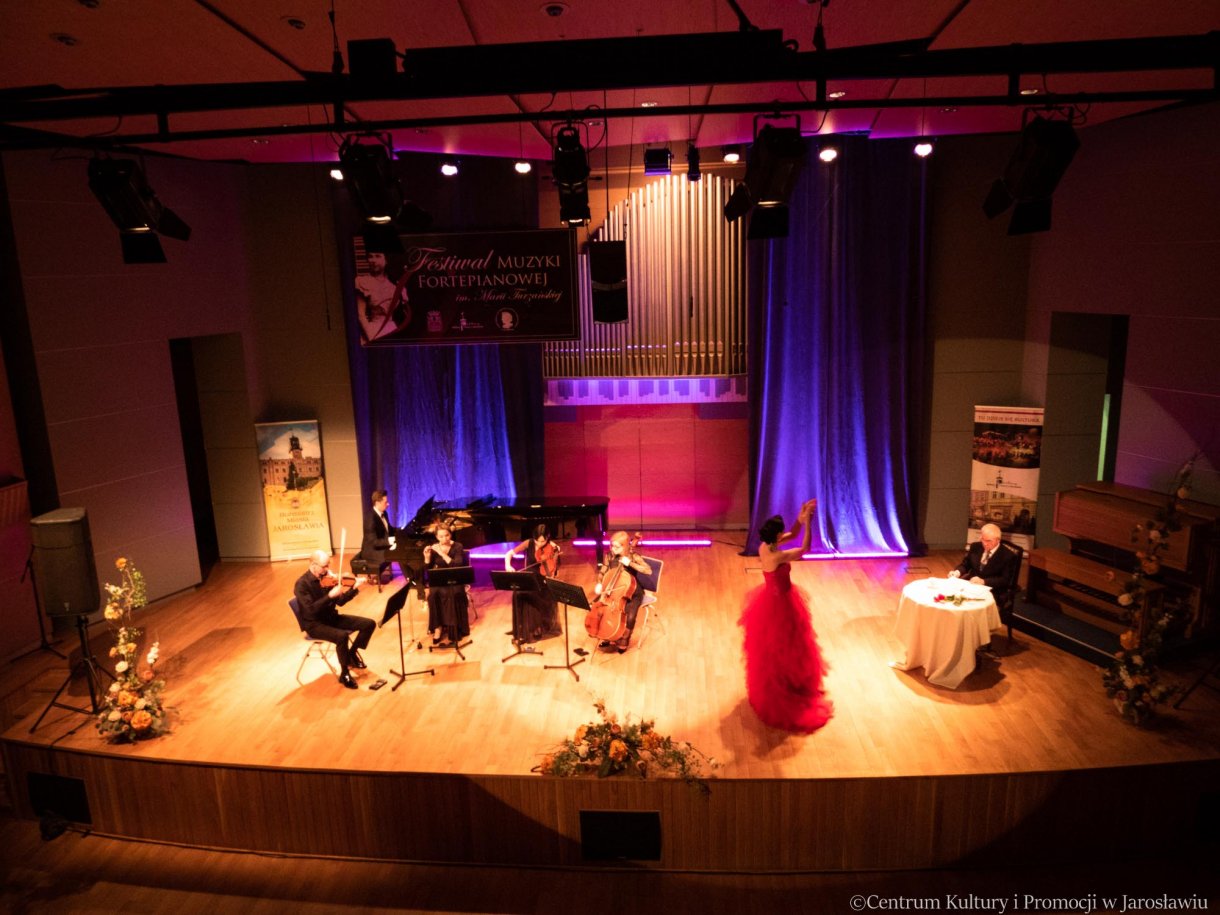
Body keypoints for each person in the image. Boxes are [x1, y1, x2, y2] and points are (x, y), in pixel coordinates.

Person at [739, 499, 833, 733]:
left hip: (774, 598)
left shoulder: (765, 545)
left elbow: (791, 534)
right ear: (775, 536)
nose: (784, 534)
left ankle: (787, 680)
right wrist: (809, 524)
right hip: (781, 604)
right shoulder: (775, 557)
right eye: (781, 533)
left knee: (778, 648)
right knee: (787, 644)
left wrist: (799, 520)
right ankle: (786, 687)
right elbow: (804, 549)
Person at [293, 549, 375, 690]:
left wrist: (353, 589)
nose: (327, 570)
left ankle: (351, 654)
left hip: (331, 618)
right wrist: (329, 596)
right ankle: (345, 674)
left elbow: (341, 602)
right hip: (315, 624)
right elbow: (311, 610)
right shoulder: (301, 585)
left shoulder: (326, 579)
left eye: (328, 566)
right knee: (342, 636)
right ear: (313, 565)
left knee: (369, 624)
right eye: (324, 566)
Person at [591, 531, 652, 654]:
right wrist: (599, 582)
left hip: (632, 591)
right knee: (602, 609)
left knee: (630, 616)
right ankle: (609, 635)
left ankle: (624, 638)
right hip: (614, 590)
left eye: (617, 547)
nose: (613, 549)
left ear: (625, 546)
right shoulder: (609, 556)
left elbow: (648, 570)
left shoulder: (633, 556)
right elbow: (603, 571)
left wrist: (630, 563)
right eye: (612, 546)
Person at [504, 524, 562, 644]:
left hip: (542, 580)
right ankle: (521, 628)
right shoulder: (528, 543)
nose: (540, 544)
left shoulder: (552, 546)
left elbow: (554, 569)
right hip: (529, 578)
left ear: (547, 537)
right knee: (517, 594)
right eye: (538, 541)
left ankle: (534, 629)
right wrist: (508, 565)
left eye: (543, 541)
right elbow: (508, 554)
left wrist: (555, 555)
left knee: (531, 594)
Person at [423, 523, 470, 646]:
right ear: (437, 537)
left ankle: (452, 628)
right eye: (441, 536)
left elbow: (457, 565)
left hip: (456, 579)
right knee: (433, 595)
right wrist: (427, 558)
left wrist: (442, 553)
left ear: (450, 534)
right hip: (441, 579)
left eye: (447, 535)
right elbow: (428, 569)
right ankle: (437, 628)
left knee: (451, 593)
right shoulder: (434, 548)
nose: (444, 539)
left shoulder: (458, 546)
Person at [948, 522, 1020, 590]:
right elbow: (966, 564)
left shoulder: (1008, 556)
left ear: (998, 540)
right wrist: (957, 572)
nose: (985, 544)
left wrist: (983, 581)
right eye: (983, 539)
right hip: (971, 584)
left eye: (989, 541)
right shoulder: (975, 546)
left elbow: (1005, 580)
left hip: (992, 589)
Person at [355, 252, 400, 343]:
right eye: (370, 256)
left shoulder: (394, 285)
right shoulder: (363, 282)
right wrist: (372, 337)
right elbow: (360, 314)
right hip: (372, 331)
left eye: (378, 256)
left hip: (392, 328)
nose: (373, 260)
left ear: (386, 260)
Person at [359, 489, 397, 565]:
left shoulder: (384, 513)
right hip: (372, 551)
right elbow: (373, 542)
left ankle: (411, 576)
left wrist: (402, 531)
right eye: (385, 502)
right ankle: (410, 576)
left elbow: (389, 529)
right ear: (377, 503)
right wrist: (389, 541)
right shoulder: (370, 518)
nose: (388, 504)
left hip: (381, 546)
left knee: (403, 551)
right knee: (398, 554)